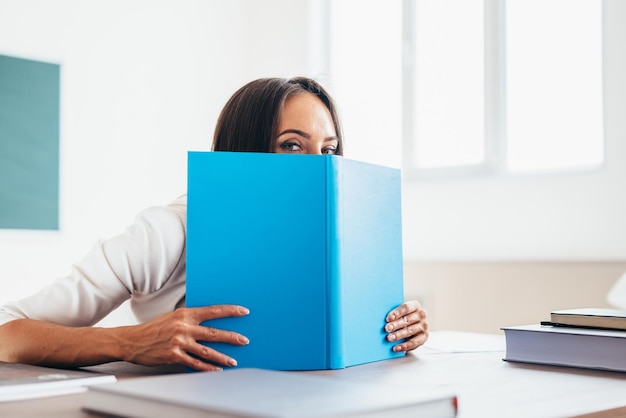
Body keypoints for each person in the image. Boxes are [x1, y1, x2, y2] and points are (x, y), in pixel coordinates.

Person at [0, 77, 429, 371]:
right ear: (244, 149)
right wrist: (127, 342)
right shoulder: (170, 232)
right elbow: (7, 333)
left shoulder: (339, 239)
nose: (318, 167)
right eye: (292, 146)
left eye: (328, 151)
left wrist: (397, 331)